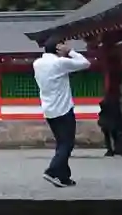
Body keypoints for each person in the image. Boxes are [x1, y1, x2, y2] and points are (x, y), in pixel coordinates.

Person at [33, 40, 90, 188]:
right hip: (63, 109)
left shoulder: (37, 64)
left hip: (48, 110)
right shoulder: (60, 63)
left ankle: (63, 177)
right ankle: (52, 171)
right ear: (58, 48)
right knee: (67, 143)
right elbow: (85, 63)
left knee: (61, 143)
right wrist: (70, 52)